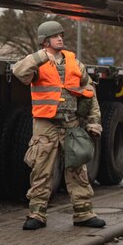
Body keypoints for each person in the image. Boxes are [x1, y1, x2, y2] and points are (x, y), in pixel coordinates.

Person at [12, 20, 106, 230]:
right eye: (56, 36)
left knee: (77, 169)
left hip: (71, 124)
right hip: (46, 124)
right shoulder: (38, 63)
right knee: (41, 170)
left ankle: (84, 213)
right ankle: (37, 214)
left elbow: (90, 92)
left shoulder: (75, 63)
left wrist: (94, 122)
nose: (61, 38)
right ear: (45, 41)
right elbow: (19, 72)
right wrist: (40, 56)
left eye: (61, 35)